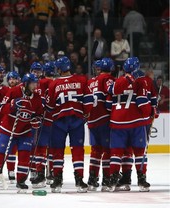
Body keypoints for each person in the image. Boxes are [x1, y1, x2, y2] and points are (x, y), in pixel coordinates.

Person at [0, 73, 43, 192]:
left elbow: (39, 115)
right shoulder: (14, 92)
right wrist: (12, 105)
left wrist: (36, 121)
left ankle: (21, 181)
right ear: (26, 83)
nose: (35, 86)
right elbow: (1, 108)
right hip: (7, 130)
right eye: (33, 83)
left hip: (25, 132)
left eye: (36, 83)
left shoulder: (37, 98)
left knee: (24, 157)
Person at [107, 58, 152, 192]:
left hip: (117, 122)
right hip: (135, 122)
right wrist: (150, 113)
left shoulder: (118, 81)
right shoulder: (141, 81)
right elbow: (143, 103)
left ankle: (115, 179)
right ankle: (141, 179)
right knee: (139, 152)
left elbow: (110, 95)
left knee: (117, 153)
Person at [46, 56, 90, 193]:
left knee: (57, 150)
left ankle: (57, 179)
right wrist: (86, 113)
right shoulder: (81, 80)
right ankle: (79, 180)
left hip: (59, 121)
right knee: (78, 150)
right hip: (77, 120)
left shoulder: (53, 84)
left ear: (59, 69)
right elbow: (88, 100)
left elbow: (49, 105)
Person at [85, 58, 115, 192]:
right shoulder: (108, 79)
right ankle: (106, 180)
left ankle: (92, 179)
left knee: (95, 151)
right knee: (107, 150)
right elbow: (111, 98)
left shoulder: (90, 82)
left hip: (91, 120)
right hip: (103, 119)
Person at [31, 61, 55, 188]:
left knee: (44, 146)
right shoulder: (29, 83)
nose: (36, 73)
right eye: (34, 71)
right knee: (35, 146)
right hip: (34, 120)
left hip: (47, 120)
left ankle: (47, 172)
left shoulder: (47, 82)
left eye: (38, 71)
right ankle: (36, 170)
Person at [5, 71, 21, 182]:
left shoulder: (21, 91)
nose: (12, 81)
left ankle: (15, 171)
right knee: (8, 149)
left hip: (21, 123)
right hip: (8, 123)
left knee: (17, 149)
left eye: (14, 78)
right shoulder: (6, 91)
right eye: (10, 79)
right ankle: (9, 170)